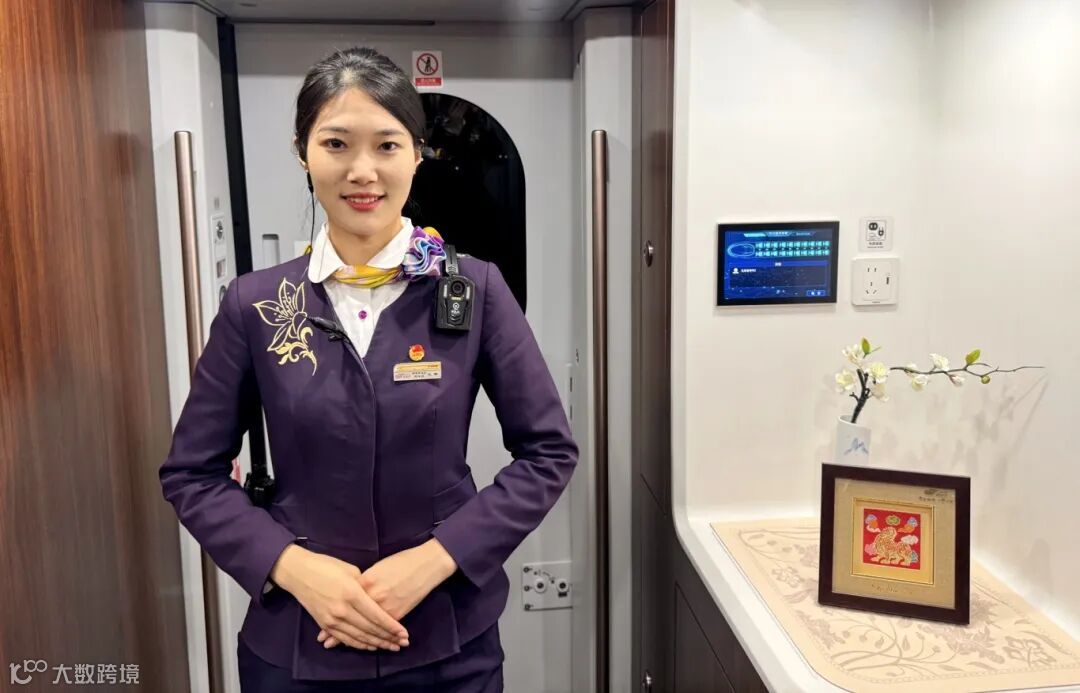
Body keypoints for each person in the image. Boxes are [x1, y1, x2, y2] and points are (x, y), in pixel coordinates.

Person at [159, 46, 578, 692]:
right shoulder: (257, 304)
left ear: (416, 154)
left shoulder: (475, 290)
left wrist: (439, 557)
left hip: (447, 643)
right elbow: (192, 473)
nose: (363, 171)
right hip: (299, 644)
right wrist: (292, 566)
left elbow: (548, 453)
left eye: (386, 145)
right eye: (336, 144)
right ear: (303, 153)